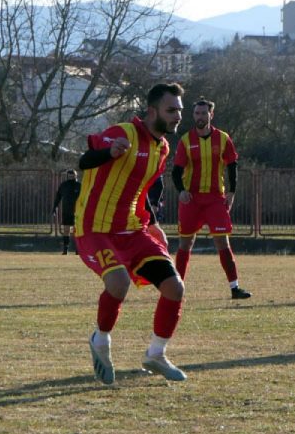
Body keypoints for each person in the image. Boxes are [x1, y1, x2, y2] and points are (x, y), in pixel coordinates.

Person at [74, 82, 188, 385]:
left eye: (179, 110)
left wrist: (151, 222)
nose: (177, 116)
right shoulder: (123, 132)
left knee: (174, 288)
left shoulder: (162, 147)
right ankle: (101, 341)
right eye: (171, 110)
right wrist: (109, 153)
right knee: (118, 282)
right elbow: (84, 161)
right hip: (95, 229)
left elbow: (142, 187)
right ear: (152, 111)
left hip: (132, 230)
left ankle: (155, 354)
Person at [172, 97, 251, 299]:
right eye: (197, 113)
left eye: (204, 113)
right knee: (185, 244)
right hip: (192, 199)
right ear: (193, 115)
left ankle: (234, 288)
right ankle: (176, 289)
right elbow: (176, 170)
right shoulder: (186, 140)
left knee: (222, 243)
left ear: (211, 115)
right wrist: (181, 190)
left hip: (216, 198)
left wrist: (232, 192)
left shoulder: (223, 138)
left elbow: (232, 166)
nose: (200, 117)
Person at [52, 169, 81, 255]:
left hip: (77, 211)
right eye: (69, 176)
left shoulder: (79, 185)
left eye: (73, 175)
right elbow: (58, 197)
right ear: (67, 176)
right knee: (66, 229)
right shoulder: (64, 185)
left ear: (76, 176)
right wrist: (55, 208)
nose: (71, 177)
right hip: (66, 210)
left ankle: (78, 249)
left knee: (76, 230)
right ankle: (65, 249)